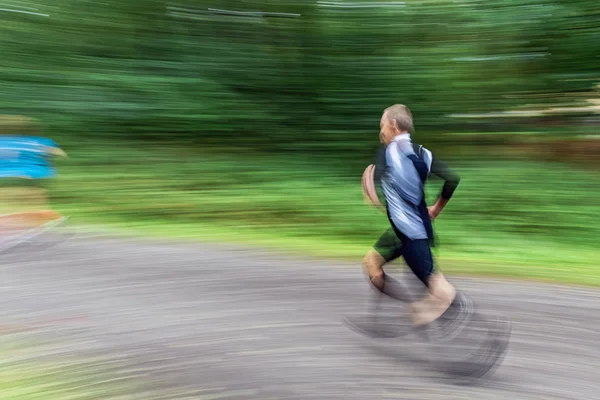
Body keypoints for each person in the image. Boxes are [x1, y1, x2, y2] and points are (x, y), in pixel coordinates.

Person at [358, 104, 473, 340]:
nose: (381, 131)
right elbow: (452, 179)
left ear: (393, 125)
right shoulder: (423, 153)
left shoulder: (388, 153)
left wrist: (369, 188)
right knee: (371, 263)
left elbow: (373, 182)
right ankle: (407, 309)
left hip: (412, 236)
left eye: (382, 125)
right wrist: (436, 209)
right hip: (405, 231)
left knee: (437, 289)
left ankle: (455, 311)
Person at [0, 130, 67, 232]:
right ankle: (48, 220)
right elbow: (60, 153)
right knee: (34, 199)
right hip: (36, 175)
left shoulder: (4, 141)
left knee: (11, 200)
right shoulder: (35, 141)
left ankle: (19, 227)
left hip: (12, 176)